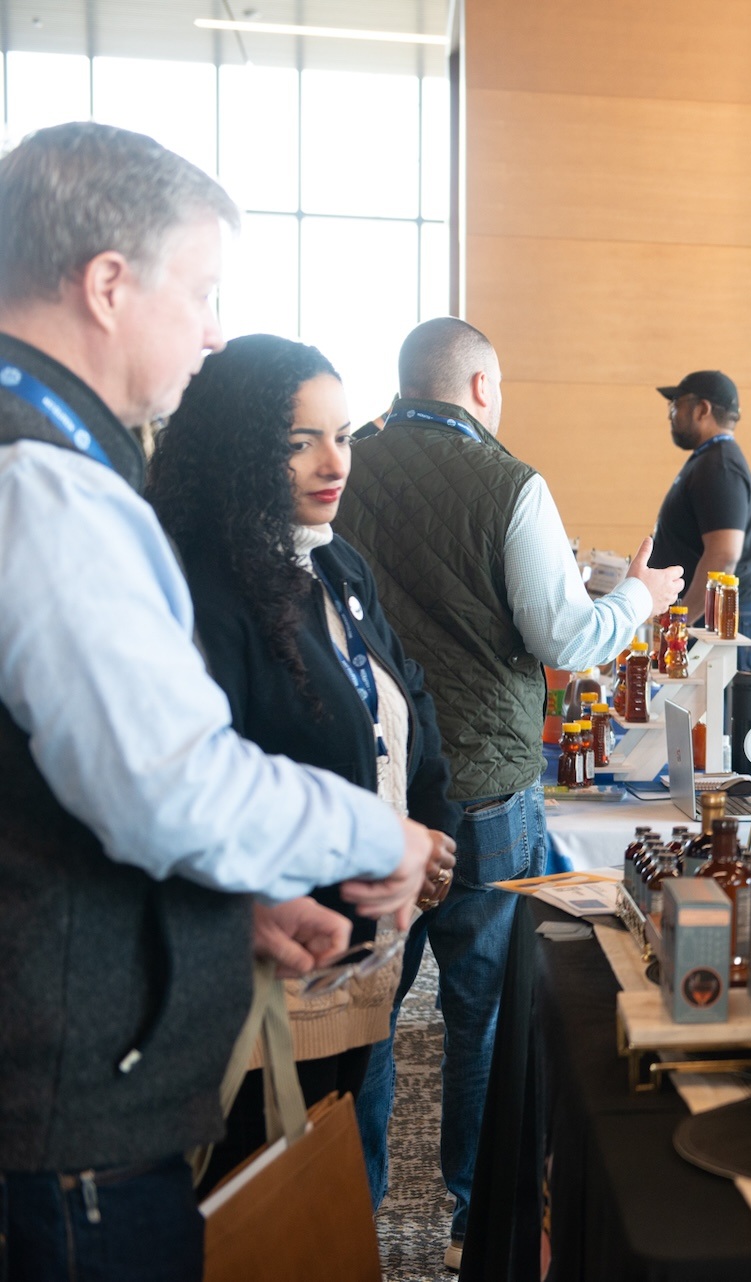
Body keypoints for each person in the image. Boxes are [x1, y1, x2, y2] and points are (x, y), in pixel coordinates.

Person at [0, 122, 434, 1281]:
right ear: (106, 284)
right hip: (65, 1104)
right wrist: (373, 830)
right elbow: (162, 780)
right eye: (198, 289)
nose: (210, 327)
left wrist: (224, 906)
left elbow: (50, 790)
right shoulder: (44, 479)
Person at [335, 316, 684, 1270]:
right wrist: (644, 596)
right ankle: (464, 1221)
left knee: (365, 1007)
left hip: (375, 784)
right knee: (480, 1007)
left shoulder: (345, 463)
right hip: (485, 784)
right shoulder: (510, 484)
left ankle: (345, 1214)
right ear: (483, 387)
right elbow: (566, 641)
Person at [146, 334, 464, 1192]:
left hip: (363, 956)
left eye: (345, 434)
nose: (335, 463)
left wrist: (431, 838)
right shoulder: (204, 589)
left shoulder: (334, 562)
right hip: (265, 971)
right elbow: (208, 781)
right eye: (300, 442)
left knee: (341, 1181)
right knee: (262, 1202)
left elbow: (410, 704)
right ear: (244, 449)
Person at [651, 369, 751, 675]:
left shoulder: (719, 466)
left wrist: (682, 621)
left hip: (729, 616)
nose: (671, 415)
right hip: (715, 615)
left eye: (676, 405)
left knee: (726, 719)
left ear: (702, 409)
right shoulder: (709, 460)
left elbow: (723, 554)